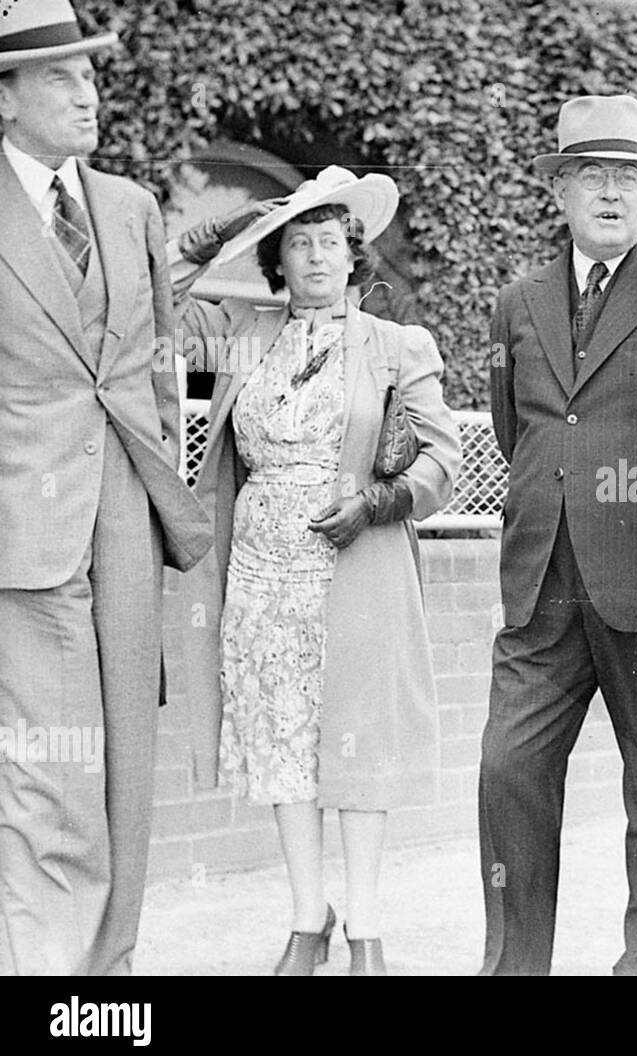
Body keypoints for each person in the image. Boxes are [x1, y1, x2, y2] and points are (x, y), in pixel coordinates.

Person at [171, 166, 462, 975]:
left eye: (330, 242)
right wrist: (210, 239)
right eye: (298, 244)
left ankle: (366, 926)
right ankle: (308, 916)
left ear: (352, 255)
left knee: (356, 745)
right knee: (280, 746)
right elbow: (144, 311)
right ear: (277, 262)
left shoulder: (397, 345)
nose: (316, 257)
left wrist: (380, 501)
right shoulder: (240, 331)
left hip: (353, 564)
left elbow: (445, 458)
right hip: (260, 575)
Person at [480, 94, 637, 976]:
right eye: (592, 175)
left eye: (629, 175)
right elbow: (520, 430)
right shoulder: (519, 301)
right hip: (543, 580)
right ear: (561, 191)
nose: (612, 193)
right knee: (508, 774)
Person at [0, 0, 212, 975]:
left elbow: (157, 364)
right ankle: (51, 981)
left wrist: (162, 475)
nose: (87, 93)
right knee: (54, 774)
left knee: (127, 762)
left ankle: (108, 975)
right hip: (21, 526)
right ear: (6, 97)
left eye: (91, 74)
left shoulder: (129, 207)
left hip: (127, 514)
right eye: (59, 77)